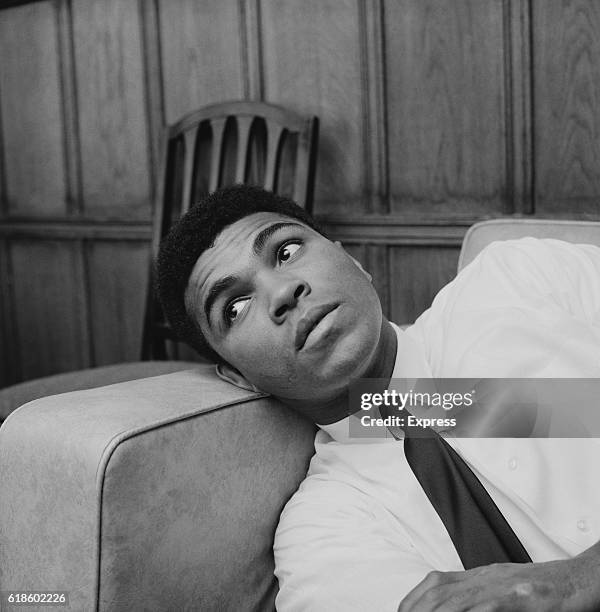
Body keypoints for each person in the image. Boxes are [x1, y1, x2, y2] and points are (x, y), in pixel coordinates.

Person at [157, 184, 600, 611]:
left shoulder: (517, 281)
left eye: (287, 252)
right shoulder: (323, 534)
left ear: (351, 259)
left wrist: (578, 579)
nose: (281, 292)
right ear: (240, 378)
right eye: (234, 306)